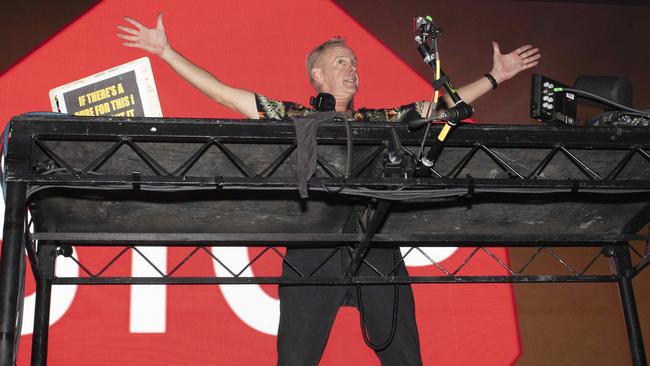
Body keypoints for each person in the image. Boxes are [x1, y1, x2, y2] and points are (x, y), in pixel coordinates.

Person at [117, 13, 540, 366]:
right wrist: (166, 52)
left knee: (405, 358)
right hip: (312, 250)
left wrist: (494, 77)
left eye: (355, 63)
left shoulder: (379, 120)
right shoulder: (295, 116)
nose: (353, 68)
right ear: (318, 74)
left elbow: (444, 108)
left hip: (376, 245)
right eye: (342, 62)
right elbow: (227, 96)